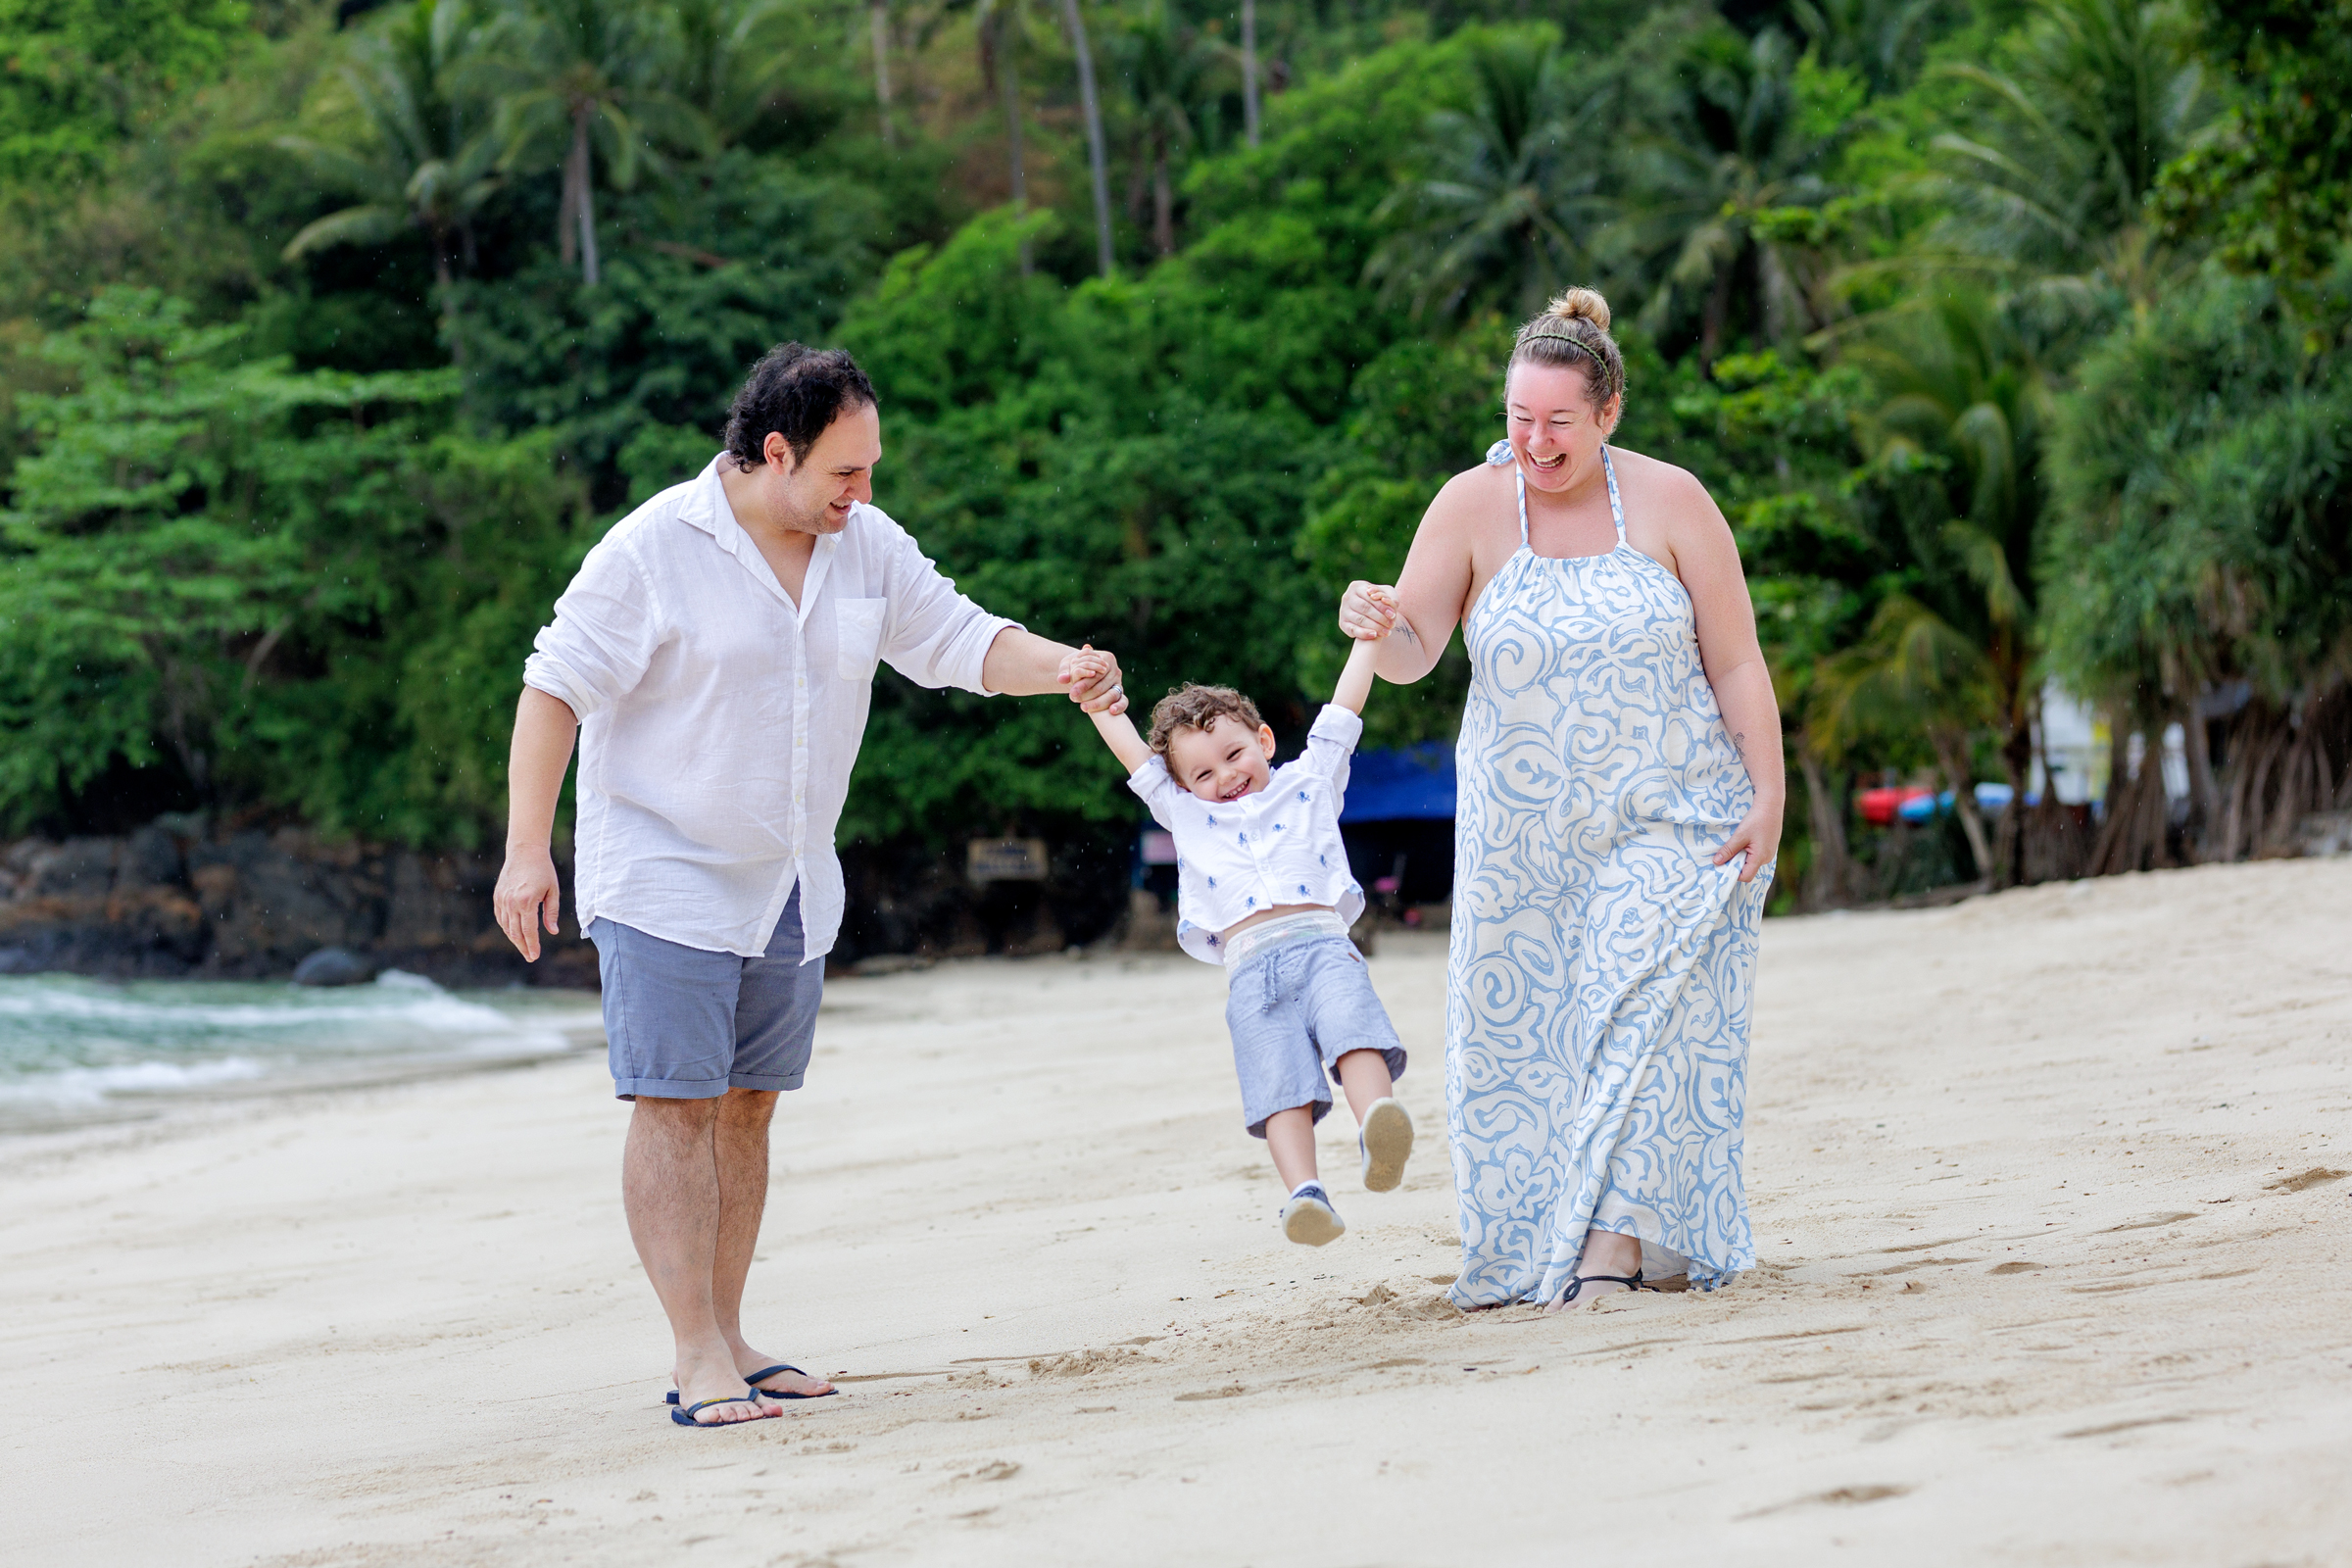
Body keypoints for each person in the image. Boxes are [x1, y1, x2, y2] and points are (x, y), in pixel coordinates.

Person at [492, 344, 1128, 1426]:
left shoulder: (864, 546)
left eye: (871, 470)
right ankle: (694, 1352)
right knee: (676, 1104)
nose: (863, 494)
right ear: (773, 452)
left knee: (747, 1110)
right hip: (665, 870)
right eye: (846, 473)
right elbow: (554, 685)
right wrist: (524, 849)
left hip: (792, 876)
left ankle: (731, 1331)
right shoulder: (655, 547)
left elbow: (957, 638)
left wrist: (1064, 662)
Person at [1336, 288, 1784, 1310]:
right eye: (1518, 417)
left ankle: (1613, 1249)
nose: (1534, 442)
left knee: (1637, 1013)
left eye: (1558, 422)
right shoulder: (1469, 505)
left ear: (1610, 410)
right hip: (1521, 840)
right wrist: (1374, 615)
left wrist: (1770, 793)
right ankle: (1559, 1237)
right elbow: (1413, 654)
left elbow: (1738, 661)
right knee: (1532, 1046)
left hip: (1678, 814)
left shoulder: (1675, 502)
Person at [1060, 635, 1414, 1246]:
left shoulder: (1309, 782)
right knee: (1279, 1086)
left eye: (1234, 754)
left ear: (1265, 741)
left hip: (1324, 948)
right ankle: (1306, 1194)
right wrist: (1097, 706)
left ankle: (1377, 1125)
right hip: (1252, 973)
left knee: (1354, 1035)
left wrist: (1366, 641)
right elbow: (1136, 761)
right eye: (1202, 772)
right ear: (1182, 786)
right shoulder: (1187, 816)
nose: (1225, 776)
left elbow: (1342, 716)